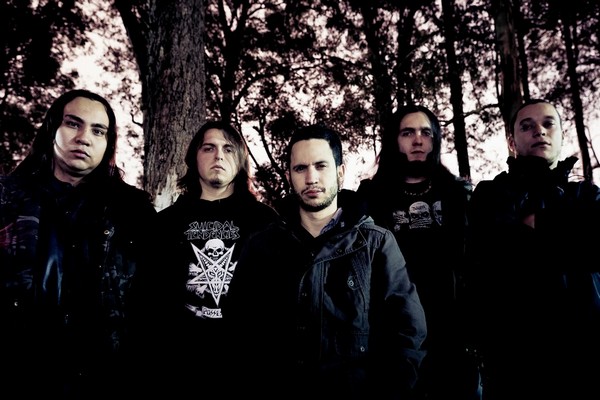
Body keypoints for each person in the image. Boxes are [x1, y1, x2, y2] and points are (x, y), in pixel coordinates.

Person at [223, 123, 427, 399]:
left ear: (340, 173)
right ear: (289, 176)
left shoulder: (376, 243)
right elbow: (238, 329)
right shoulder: (262, 246)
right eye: (300, 168)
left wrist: (387, 397)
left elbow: (407, 331)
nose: (311, 178)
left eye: (321, 166)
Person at [0, 89, 157, 398]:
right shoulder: (8, 197)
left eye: (98, 131)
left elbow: (153, 301)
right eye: (73, 123)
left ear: (108, 143)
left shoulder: (133, 209)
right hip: (20, 373)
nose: (84, 138)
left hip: (105, 381)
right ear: (52, 129)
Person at [465, 99, 600, 400]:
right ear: (512, 142)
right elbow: (493, 255)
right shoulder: (490, 195)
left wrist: (537, 224)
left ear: (562, 135)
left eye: (548, 124)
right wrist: (572, 235)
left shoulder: (587, 195)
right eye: (527, 126)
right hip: (515, 359)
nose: (539, 131)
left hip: (586, 351)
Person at [356, 104, 481, 400]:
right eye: (407, 133)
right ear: (394, 141)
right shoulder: (371, 198)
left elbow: (477, 265)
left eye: (426, 132)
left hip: (451, 336)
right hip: (393, 337)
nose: (417, 140)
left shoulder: (458, 196)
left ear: (435, 140)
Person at [148, 120, 279, 397]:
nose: (218, 155)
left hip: (246, 372)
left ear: (240, 160)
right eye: (208, 148)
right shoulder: (165, 224)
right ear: (194, 158)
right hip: (177, 371)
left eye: (228, 149)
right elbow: (149, 301)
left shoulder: (266, 222)